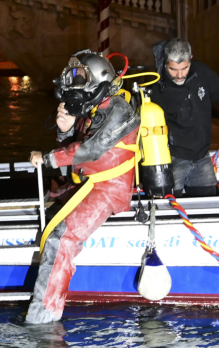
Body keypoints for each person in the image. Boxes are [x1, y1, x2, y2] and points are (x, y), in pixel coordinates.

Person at [26, 50, 141, 324]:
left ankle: (44, 317)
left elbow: (91, 149)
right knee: (48, 204)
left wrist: (48, 158)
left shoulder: (120, 111)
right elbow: (75, 143)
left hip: (109, 189)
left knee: (60, 239)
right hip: (88, 184)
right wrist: (65, 128)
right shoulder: (93, 110)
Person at [148, 38, 219, 197]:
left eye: (184, 68)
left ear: (191, 59)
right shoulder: (157, 88)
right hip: (172, 160)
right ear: (165, 63)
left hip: (202, 158)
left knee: (207, 209)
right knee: (169, 209)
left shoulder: (202, 72)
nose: (179, 75)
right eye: (173, 69)